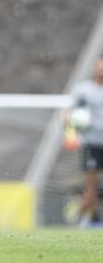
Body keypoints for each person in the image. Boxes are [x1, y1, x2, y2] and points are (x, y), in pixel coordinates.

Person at [67, 56, 103, 228]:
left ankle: (83, 213)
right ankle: (92, 218)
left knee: (93, 187)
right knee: (92, 184)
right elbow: (69, 112)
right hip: (92, 142)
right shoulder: (84, 90)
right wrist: (71, 133)